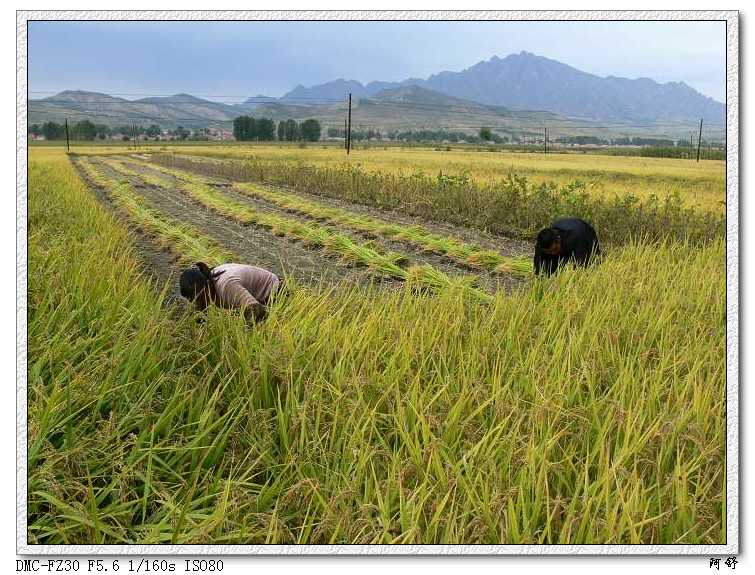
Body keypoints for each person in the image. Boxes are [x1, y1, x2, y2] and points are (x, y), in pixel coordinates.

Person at [179, 262, 285, 322]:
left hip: (276, 293)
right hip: (258, 295)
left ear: (206, 286)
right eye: (193, 300)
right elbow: (201, 313)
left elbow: (258, 312)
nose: (198, 304)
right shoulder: (208, 279)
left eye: (199, 299)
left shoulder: (226, 287)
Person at [534, 217, 600, 276]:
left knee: (588, 268)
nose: (553, 253)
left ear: (559, 239)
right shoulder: (541, 244)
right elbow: (538, 269)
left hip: (586, 234)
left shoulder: (575, 239)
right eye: (549, 252)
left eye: (555, 249)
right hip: (566, 229)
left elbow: (580, 268)